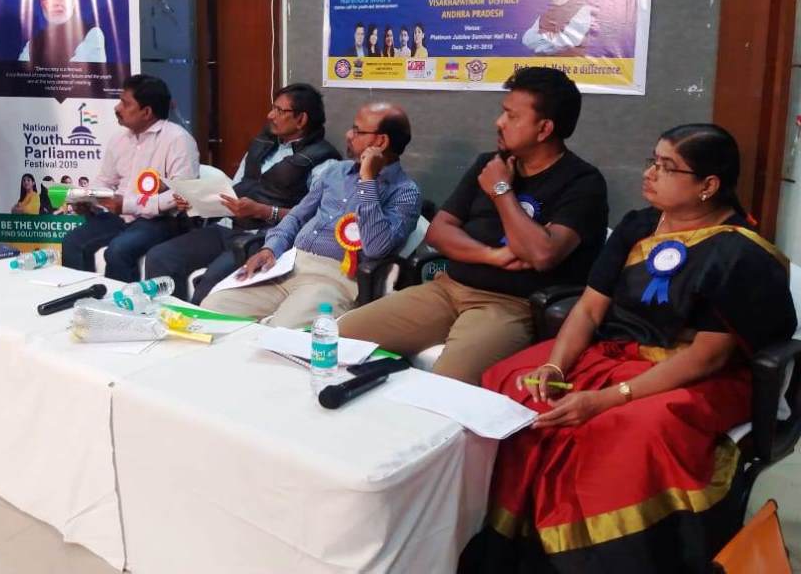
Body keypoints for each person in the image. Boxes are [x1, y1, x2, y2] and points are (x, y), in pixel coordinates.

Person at [462, 123, 797, 574]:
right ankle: (508, 547)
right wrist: (554, 366)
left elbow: (708, 356)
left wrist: (606, 399)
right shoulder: (637, 226)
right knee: (511, 384)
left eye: (667, 167)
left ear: (708, 186)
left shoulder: (739, 253)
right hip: (614, 353)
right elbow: (588, 310)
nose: (649, 173)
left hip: (689, 373)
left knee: (618, 429)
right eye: (652, 161)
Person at [338, 68, 608, 384]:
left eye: (511, 116)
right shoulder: (488, 163)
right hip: (446, 288)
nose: (499, 122)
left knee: (448, 383)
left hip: (508, 305)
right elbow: (439, 231)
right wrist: (491, 256)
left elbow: (542, 253)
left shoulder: (582, 182)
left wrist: (501, 191)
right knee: (339, 337)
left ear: (544, 128)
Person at [200, 102, 421, 327]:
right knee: (213, 309)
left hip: (334, 279)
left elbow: (376, 248)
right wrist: (270, 248)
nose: (348, 135)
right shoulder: (335, 171)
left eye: (357, 131)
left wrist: (367, 180)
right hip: (287, 266)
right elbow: (297, 216)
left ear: (381, 142)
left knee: (283, 331)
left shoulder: (405, 193)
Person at [144, 83, 340, 302]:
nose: (270, 115)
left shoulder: (324, 162)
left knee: (211, 284)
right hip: (227, 226)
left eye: (279, 110)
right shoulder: (262, 144)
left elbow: (315, 218)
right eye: (273, 108)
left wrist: (263, 211)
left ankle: (195, 322)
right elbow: (233, 190)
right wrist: (196, 201)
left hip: (264, 238)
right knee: (160, 257)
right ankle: (169, 317)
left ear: (301, 119)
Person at [60, 74, 199, 281]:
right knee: (72, 242)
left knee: (118, 251)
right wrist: (89, 200)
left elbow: (181, 194)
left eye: (125, 104)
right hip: (120, 217)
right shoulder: (119, 138)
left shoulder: (178, 139)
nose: (117, 108)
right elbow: (105, 180)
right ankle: (81, 297)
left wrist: (128, 204)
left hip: (161, 221)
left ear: (146, 112)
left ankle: (123, 302)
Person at [18, 0, 106, 65]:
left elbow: (79, 71)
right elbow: (20, 71)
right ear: (42, 4)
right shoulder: (33, 44)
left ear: (73, 0)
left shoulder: (93, 34)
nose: (54, 3)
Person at [522, 0, 597, 56]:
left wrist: (540, 45)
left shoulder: (583, 10)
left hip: (570, 62)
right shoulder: (544, 15)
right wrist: (551, 38)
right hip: (544, 63)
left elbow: (571, 40)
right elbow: (527, 39)